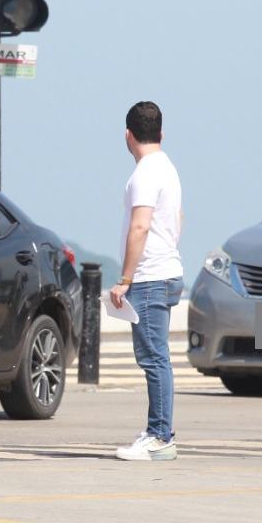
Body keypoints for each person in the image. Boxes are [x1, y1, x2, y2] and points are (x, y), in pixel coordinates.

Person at [109, 101, 185, 461]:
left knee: (154, 358)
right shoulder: (168, 168)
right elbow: (179, 217)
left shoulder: (143, 174)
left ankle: (160, 436)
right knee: (157, 357)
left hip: (150, 276)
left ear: (128, 135)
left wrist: (125, 278)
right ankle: (158, 430)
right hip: (167, 270)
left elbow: (139, 226)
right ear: (161, 132)